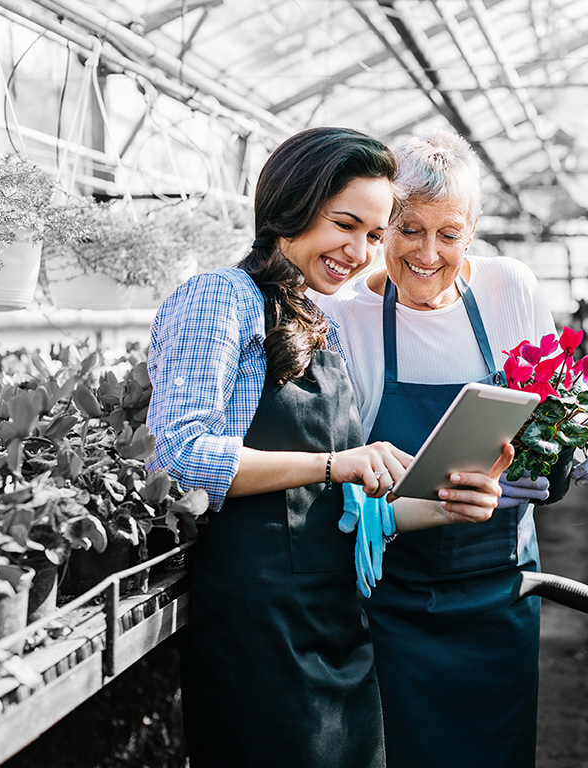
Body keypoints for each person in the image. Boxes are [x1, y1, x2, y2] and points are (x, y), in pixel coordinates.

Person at [145, 126, 511, 768]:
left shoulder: (319, 322)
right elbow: (178, 453)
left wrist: (446, 504)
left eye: (373, 235)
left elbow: (339, 514)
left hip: (337, 618)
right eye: (346, 224)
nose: (360, 251)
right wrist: (332, 462)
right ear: (292, 206)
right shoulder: (220, 300)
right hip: (260, 623)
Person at [316, 129, 588, 768]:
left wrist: (570, 459)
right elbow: (334, 468)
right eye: (407, 230)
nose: (427, 253)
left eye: (448, 234)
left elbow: (558, 407)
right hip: (393, 595)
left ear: (473, 230)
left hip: (501, 587)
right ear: (380, 230)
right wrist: (387, 502)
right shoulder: (343, 317)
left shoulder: (511, 289)